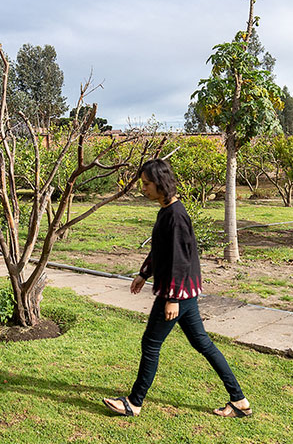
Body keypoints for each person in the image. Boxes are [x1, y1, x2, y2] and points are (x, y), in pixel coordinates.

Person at [102, 158, 251, 418]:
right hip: (185, 294)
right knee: (203, 343)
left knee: (151, 343)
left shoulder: (177, 216)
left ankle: (134, 403)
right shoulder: (167, 211)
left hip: (177, 294)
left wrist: (172, 298)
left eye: (147, 184)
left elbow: (180, 262)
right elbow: (161, 251)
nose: (143, 189)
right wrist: (143, 274)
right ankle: (239, 401)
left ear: (161, 184)